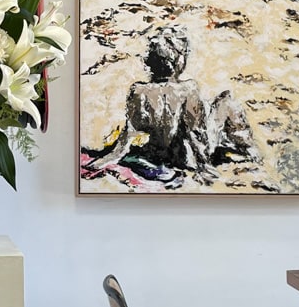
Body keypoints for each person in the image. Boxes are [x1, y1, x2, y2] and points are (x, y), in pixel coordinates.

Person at [84, 25, 256, 187]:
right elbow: (195, 133)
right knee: (227, 100)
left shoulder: (138, 91)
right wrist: (204, 167)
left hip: (160, 153)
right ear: (179, 62)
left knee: (207, 107)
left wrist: (107, 159)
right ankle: (249, 148)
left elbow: (128, 134)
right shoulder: (187, 89)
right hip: (185, 156)